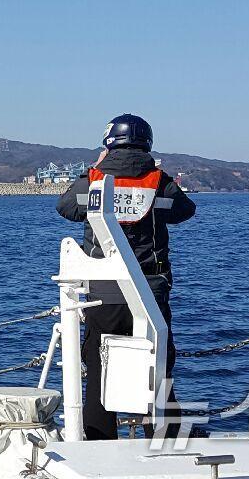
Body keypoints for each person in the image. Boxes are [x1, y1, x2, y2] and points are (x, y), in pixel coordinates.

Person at [56, 114, 196, 440]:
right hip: (150, 291)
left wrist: (93, 170)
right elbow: (186, 210)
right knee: (158, 370)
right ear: (147, 142)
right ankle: (165, 442)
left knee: (98, 368)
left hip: (104, 292)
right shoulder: (159, 181)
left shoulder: (94, 178)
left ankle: (99, 444)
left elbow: (65, 207)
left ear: (108, 142)